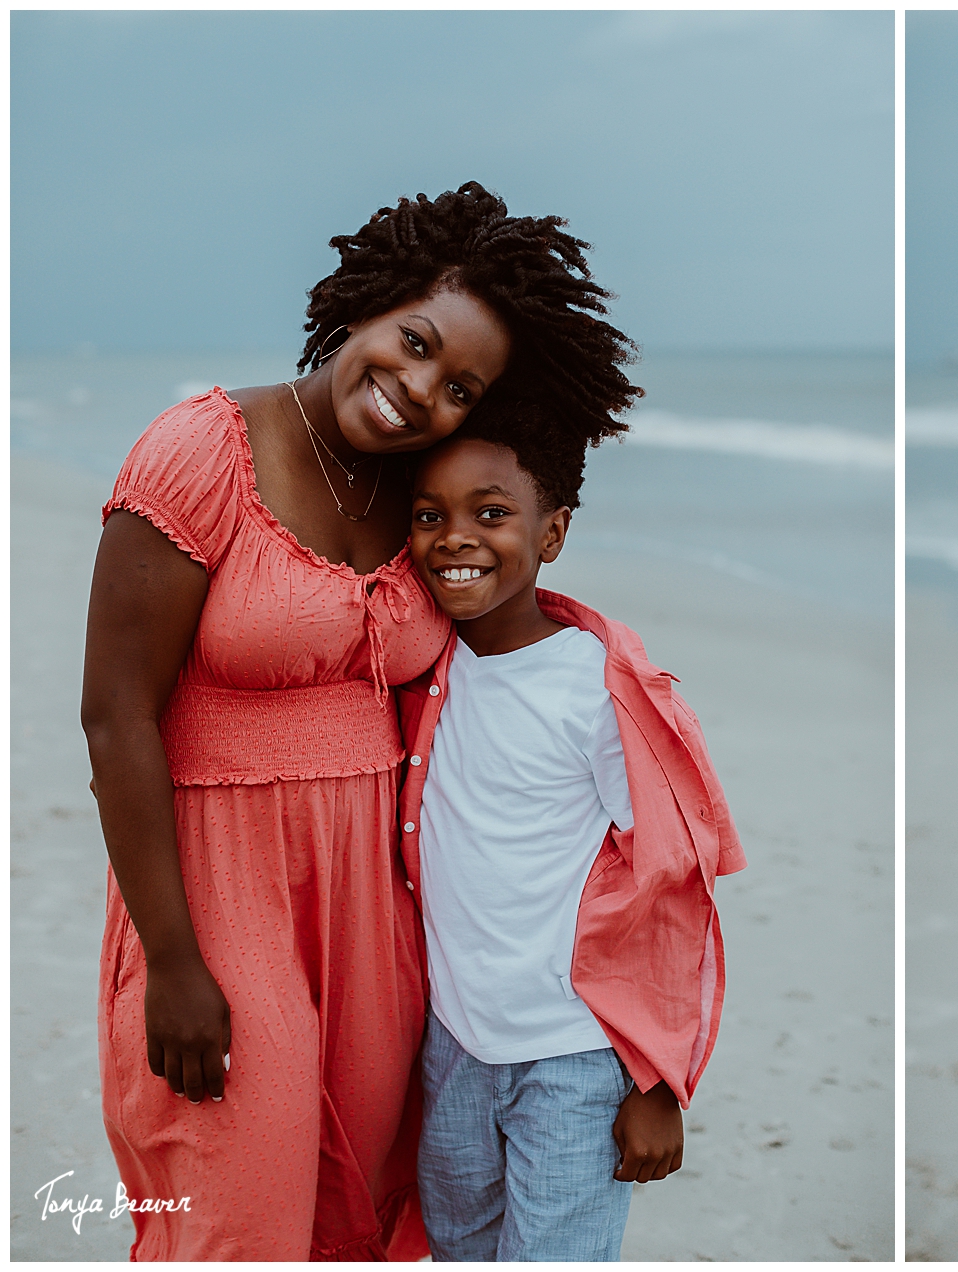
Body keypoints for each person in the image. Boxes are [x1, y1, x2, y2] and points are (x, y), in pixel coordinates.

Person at [81, 183, 639, 1260]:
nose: (415, 388)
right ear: (369, 305)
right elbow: (113, 721)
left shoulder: (416, 496)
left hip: (379, 920)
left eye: (458, 385)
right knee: (230, 1217)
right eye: (415, 341)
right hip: (220, 897)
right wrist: (175, 960)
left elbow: (490, 648)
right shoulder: (203, 450)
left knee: (357, 1213)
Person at [395, 398, 744, 1260]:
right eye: (429, 516)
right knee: (456, 1247)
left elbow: (673, 887)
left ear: (551, 534)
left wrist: (659, 1082)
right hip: (453, 1047)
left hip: (575, 1057)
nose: (455, 538)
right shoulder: (422, 664)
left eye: (492, 513)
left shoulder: (595, 687)